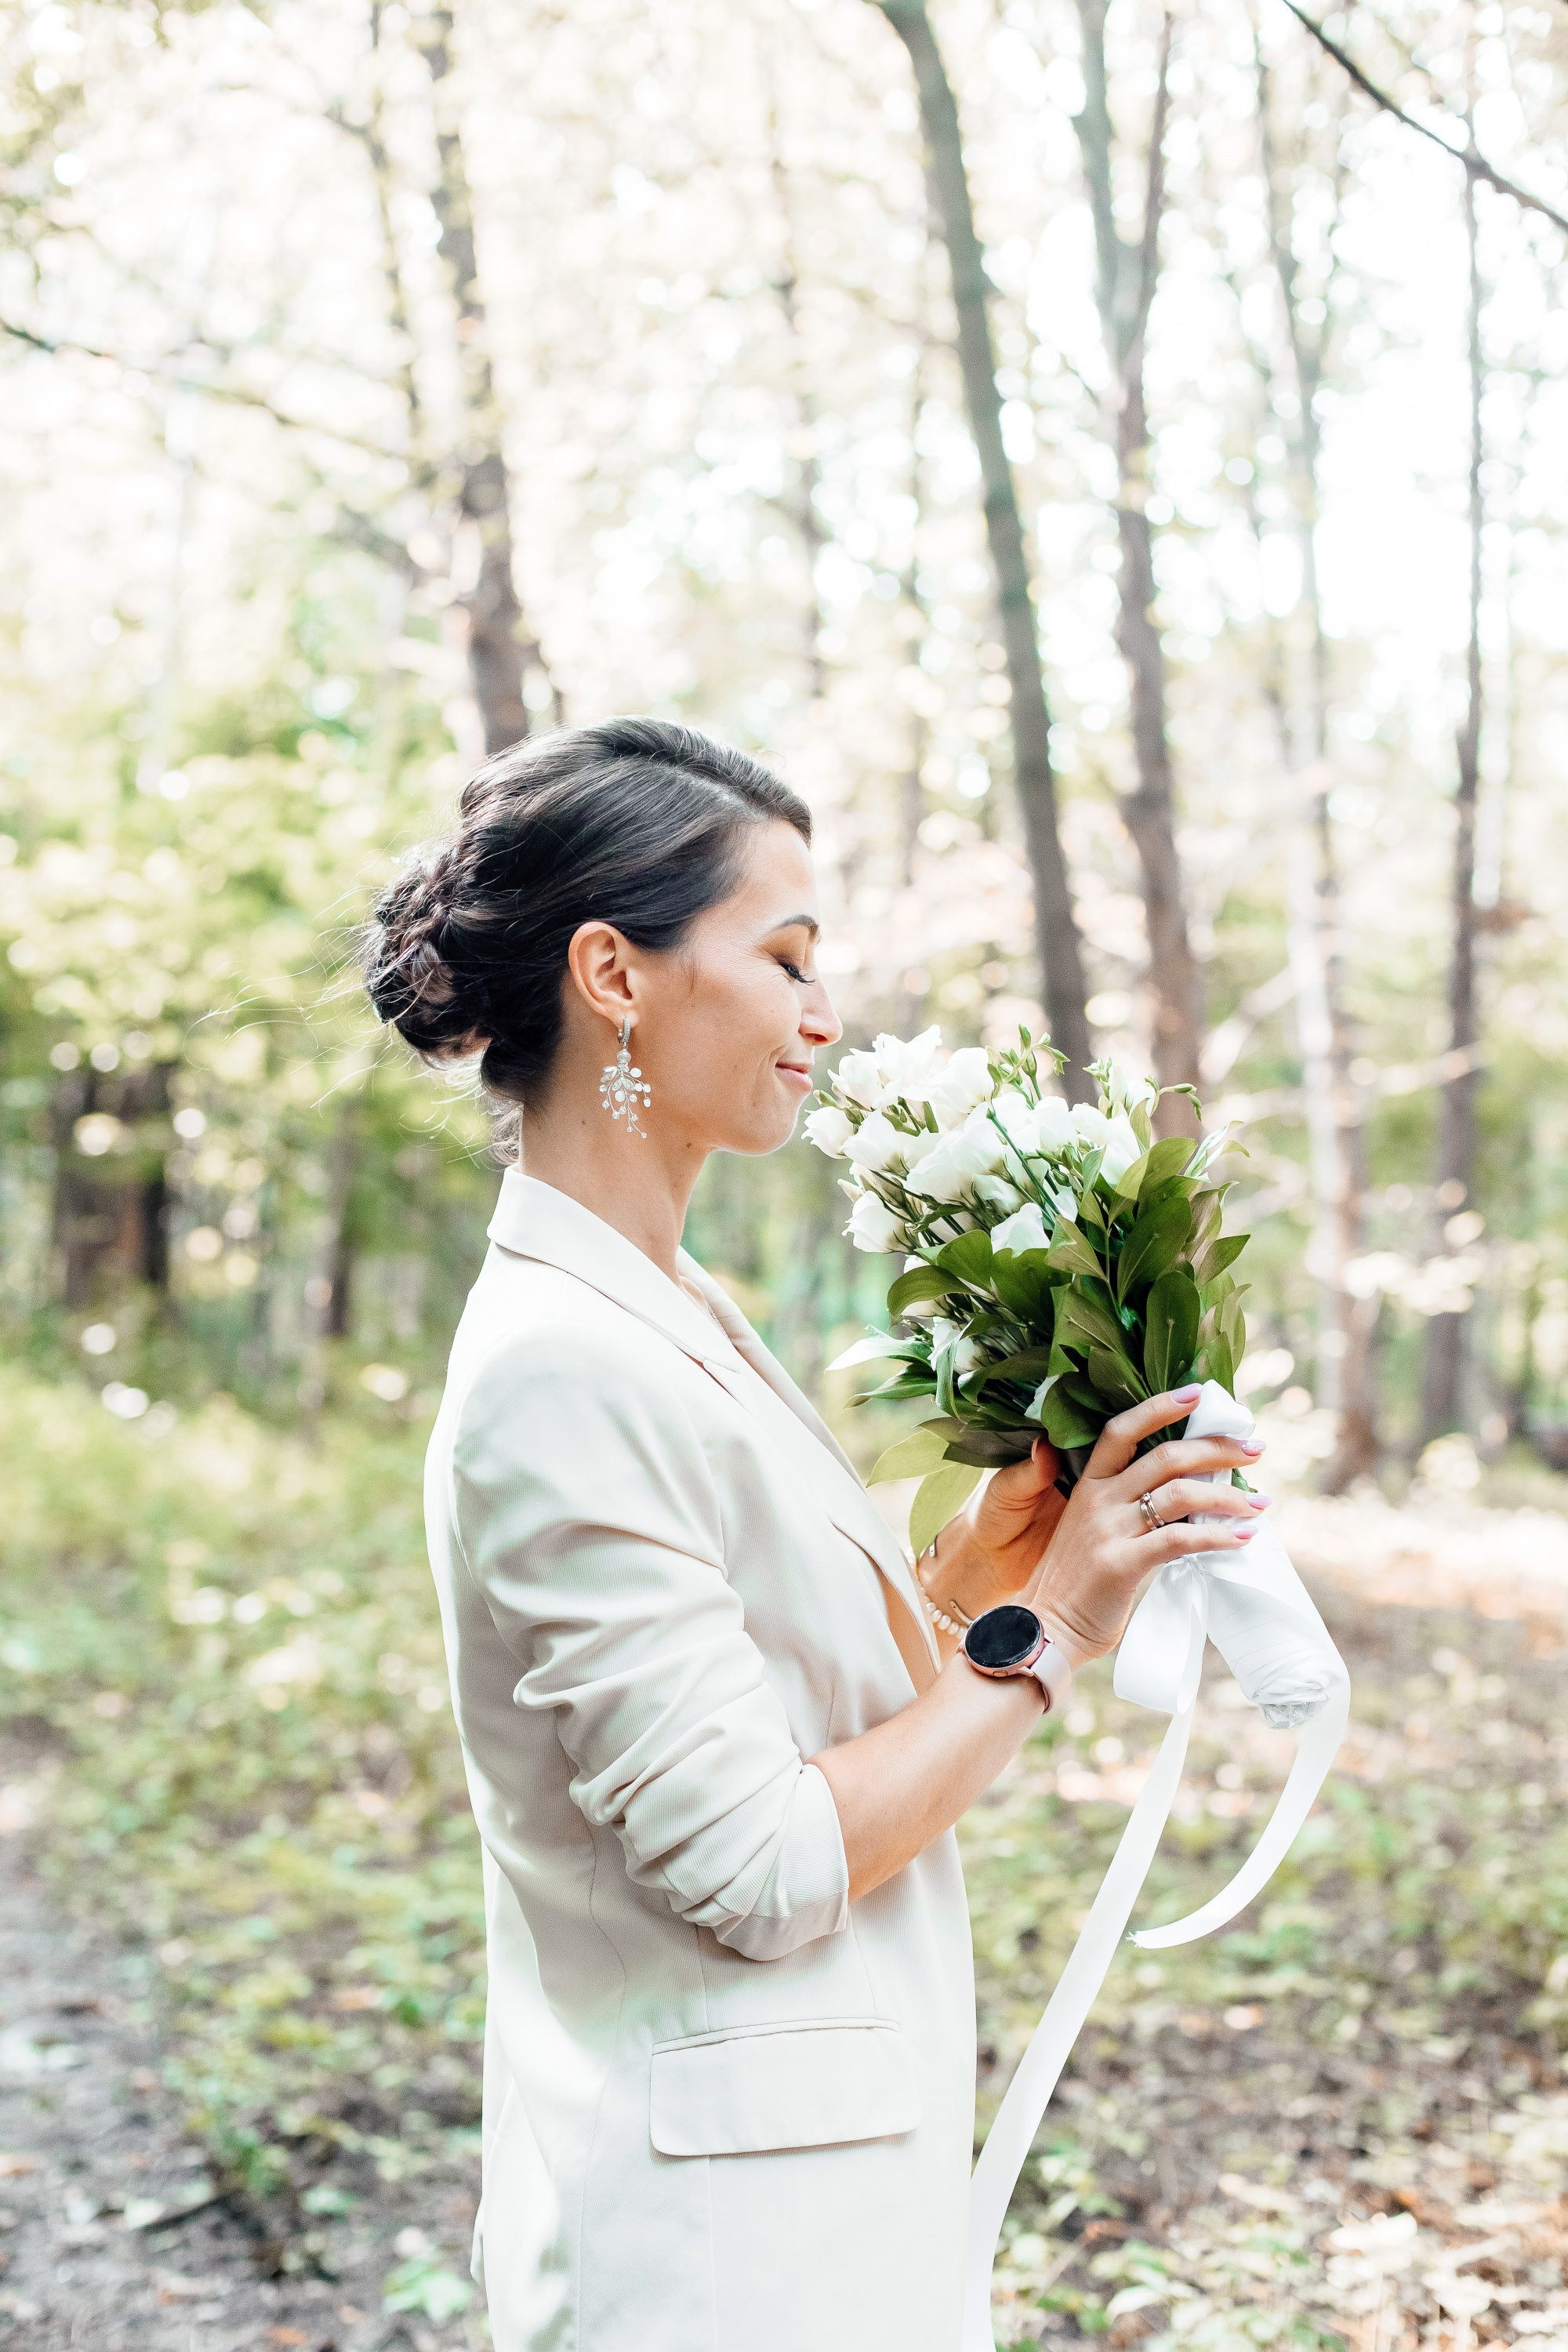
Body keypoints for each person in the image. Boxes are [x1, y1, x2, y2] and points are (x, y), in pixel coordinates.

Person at [362, 717, 1265, 2352]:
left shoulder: (666, 1304)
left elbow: (780, 1708)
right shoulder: (558, 1365)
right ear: (613, 976)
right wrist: (1048, 1633)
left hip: (820, 2205)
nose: (825, 1016)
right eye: (784, 959)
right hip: (717, 2259)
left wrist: (995, 1572)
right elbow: (759, 1863)